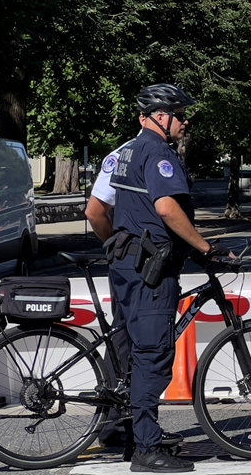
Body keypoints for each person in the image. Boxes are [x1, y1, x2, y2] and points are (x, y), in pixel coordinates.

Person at [108, 84, 229, 473]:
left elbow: (99, 209)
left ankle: (129, 434)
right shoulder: (159, 152)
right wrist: (207, 249)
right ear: (161, 117)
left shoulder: (126, 151)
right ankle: (146, 450)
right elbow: (166, 207)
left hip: (125, 262)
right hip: (150, 270)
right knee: (152, 357)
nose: (186, 120)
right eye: (180, 113)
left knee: (130, 351)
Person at [83, 136, 181, 460]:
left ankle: (123, 431)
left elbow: (97, 211)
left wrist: (118, 246)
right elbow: (95, 212)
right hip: (143, 266)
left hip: (123, 265)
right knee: (140, 348)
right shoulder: (148, 155)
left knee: (124, 342)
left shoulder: (120, 154)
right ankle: (132, 437)